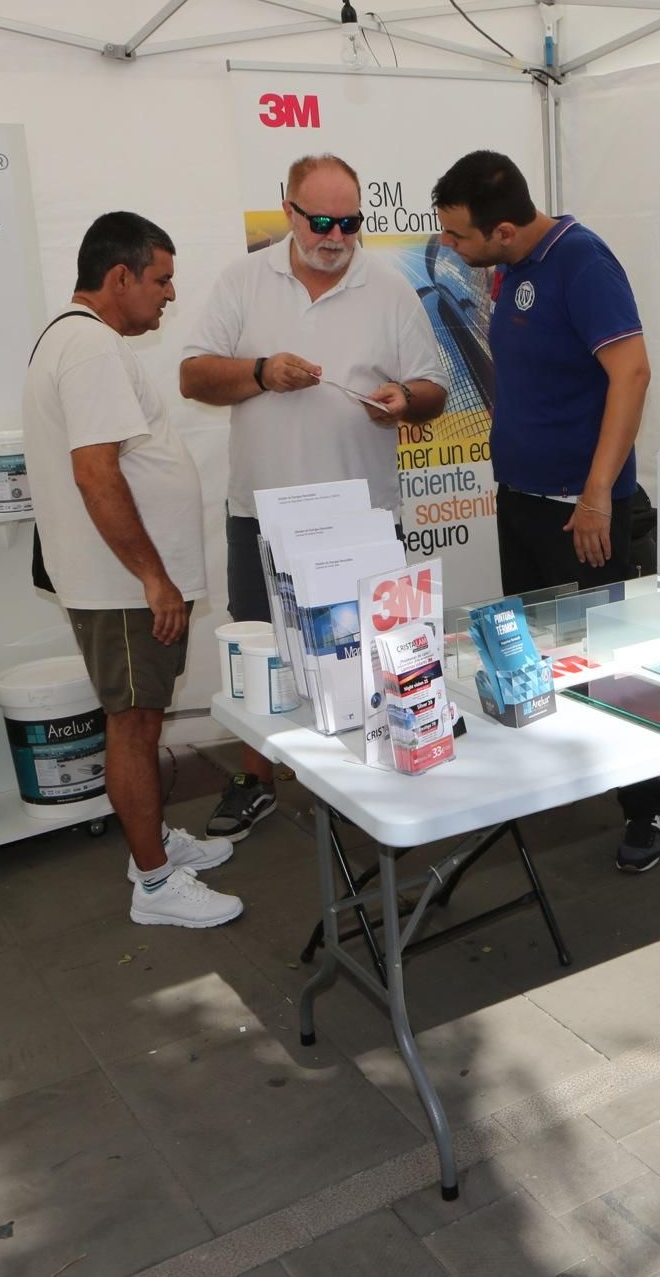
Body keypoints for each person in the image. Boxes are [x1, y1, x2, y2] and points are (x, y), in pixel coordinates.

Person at [181, 155, 449, 839]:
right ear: (289, 210)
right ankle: (256, 776)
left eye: (350, 223)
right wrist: (262, 372)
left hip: (360, 516)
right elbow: (195, 376)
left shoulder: (386, 287)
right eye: (321, 220)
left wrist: (403, 402)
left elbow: (433, 389)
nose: (335, 236)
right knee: (261, 648)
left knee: (370, 647)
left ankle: (371, 770)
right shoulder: (245, 280)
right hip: (262, 513)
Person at [430, 150, 660, 872]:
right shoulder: (512, 269)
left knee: (611, 659)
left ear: (504, 230)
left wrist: (598, 494)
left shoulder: (583, 262)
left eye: (461, 238)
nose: (451, 249)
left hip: (581, 509)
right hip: (524, 500)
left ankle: (645, 803)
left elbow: (632, 372)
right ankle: (552, 775)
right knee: (529, 651)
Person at [26, 212, 242, 929]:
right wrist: (153, 576)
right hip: (123, 588)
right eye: (161, 279)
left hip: (127, 583)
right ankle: (154, 884)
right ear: (119, 277)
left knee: (142, 720)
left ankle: (150, 850)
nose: (170, 294)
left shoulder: (89, 343)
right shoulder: (87, 348)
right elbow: (96, 475)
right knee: (135, 725)